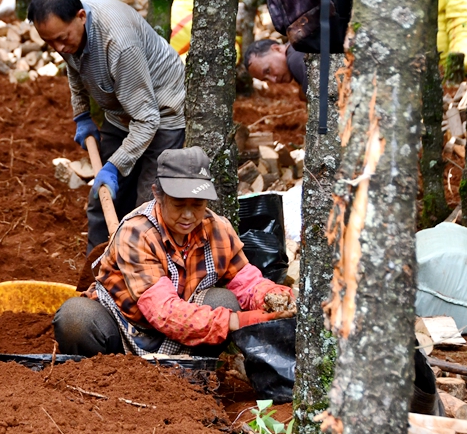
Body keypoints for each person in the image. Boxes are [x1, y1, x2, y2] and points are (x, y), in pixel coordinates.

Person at [53, 147, 295, 357]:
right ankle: (113, 372)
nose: (189, 216)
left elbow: (247, 283)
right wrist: (234, 322)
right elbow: (161, 311)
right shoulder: (137, 232)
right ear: (158, 194)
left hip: (184, 328)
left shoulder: (218, 229)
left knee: (224, 301)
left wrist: (274, 297)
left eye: (197, 205)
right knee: (76, 319)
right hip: (124, 325)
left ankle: (192, 370)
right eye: (179, 205)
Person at [28, 0, 187, 252]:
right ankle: (98, 271)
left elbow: (148, 120)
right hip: (121, 112)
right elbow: (75, 68)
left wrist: (114, 166)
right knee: (103, 198)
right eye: (49, 42)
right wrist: (82, 115)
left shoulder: (118, 44)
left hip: (161, 113)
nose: (58, 48)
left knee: (147, 209)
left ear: (81, 16)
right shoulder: (68, 33)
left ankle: (146, 280)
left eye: (61, 39)